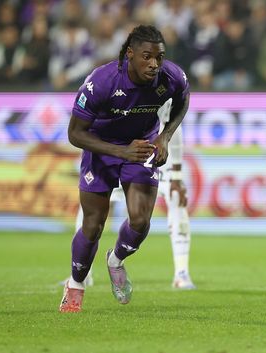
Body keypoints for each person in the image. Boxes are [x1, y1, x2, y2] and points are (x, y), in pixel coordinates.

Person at [59, 25, 190, 313]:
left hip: (142, 147)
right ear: (130, 54)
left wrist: (164, 137)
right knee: (92, 225)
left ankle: (115, 261)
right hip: (102, 149)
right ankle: (75, 284)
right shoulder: (102, 82)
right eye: (147, 57)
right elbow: (75, 134)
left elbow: (183, 101)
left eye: (159, 57)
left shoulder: (171, 78)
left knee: (141, 221)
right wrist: (121, 151)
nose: (154, 64)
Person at [65, 99, 195, 290]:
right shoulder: (112, 86)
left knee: (173, 202)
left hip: (152, 156)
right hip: (118, 154)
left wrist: (176, 174)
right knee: (91, 212)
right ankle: (83, 274)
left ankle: (181, 273)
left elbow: (174, 130)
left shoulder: (164, 88)